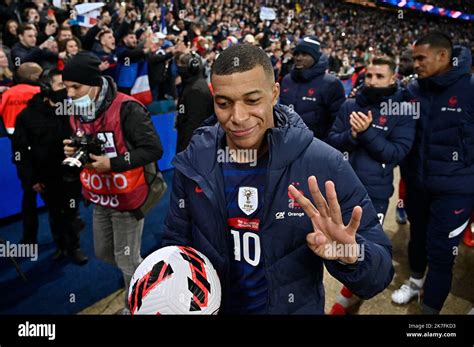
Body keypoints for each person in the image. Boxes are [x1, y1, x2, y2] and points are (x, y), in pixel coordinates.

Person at [162, 44, 393, 314]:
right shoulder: (194, 162)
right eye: (224, 103)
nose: (237, 117)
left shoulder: (323, 163)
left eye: (252, 101)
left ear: (274, 94)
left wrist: (353, 256)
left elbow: (380, 271)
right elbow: (175, 245)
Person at [62, 52, 164, 313]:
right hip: (100, 196)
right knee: (106, 253)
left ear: (94, 83)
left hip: (129, 197)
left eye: (76, 86)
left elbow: (153, 149)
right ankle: (147, 275)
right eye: (67, 87)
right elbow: (86, 142)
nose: (70, 93)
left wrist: (113, 164)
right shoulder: (75, 111)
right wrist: (74, 151)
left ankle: (137, 307)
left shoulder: (128, 107)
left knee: (126, 260)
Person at [391, 33, 474, 314]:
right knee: (417, 238)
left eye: (420, 58)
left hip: (455, 190)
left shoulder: (471, 88)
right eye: (413, 58)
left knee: (441, 252)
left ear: (443, 56)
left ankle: (430, 315)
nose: (415, 64)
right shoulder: (412, 90)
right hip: (416, 184)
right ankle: (415, 282)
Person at [326, 55, 416, 314]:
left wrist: (367, 133)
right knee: (334, 246)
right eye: (369, 76)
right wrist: (352, 136)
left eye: (380, 76)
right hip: (340, 188)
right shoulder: (350, 104)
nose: (373, 81)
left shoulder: (403, 111)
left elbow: (396, 153)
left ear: (392, 78)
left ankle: (347, 299)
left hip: (374, 193)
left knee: (362, 249)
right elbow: (333, 141)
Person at [12, 68, 87, 264]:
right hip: (44, 176)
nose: (66, 90)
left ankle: (74, 247)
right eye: (61, 85)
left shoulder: (73, 111)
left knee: (71, 211)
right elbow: (20, 152)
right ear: (46, 88)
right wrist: (30, 180)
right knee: (55, 213)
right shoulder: (27, 116)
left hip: (70, 173)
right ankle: (61, 246)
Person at [0, 62, 42, 245]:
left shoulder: (7, 94)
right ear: (34, 77)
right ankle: (68, 238)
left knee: (28, 195)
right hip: (43, 149)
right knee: (57, 194)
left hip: (19, 150)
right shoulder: (39, 92)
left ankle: (28, 238)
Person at [280, 36, 346, 140]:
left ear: (315, 57)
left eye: (305, 54)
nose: (298, 58)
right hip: (287, 143)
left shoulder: (331, 84)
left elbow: (338, 122)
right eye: (296, 54)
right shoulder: (287, 80)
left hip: (317, 146)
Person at [175, 52, 214, 153]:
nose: (179, 68)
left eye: (181, 65)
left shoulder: (196, 90)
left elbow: (194, 125)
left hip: (194, 149)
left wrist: (185, 152)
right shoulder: (191, 85)